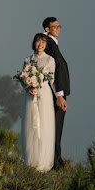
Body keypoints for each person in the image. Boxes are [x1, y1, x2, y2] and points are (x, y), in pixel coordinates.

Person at [21, 33, 57, 171]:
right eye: (38, 41)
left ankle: (42, 161)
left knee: (44, 125)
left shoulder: (50, 60)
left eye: (43, 42)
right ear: (34, 43)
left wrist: (40, 86)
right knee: (31, 127)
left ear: (46, 44)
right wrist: (28, 86)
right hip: (30, 97)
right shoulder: (28, 59)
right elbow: (23, 77)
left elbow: (51, 80)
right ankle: (31, 159)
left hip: (44, 96)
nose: (40, 44)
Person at [41, 16, 71, 170]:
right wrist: (59, 94)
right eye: (55, 26)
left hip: (56, 92)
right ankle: (55, 162)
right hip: (55, 92)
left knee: (56, 126)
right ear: (47, 28)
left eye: (60, 26)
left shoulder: (51, 43)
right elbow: (54, 69)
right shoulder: (50, 44)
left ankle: (56, 160)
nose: (59, 29)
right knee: (55, 127)